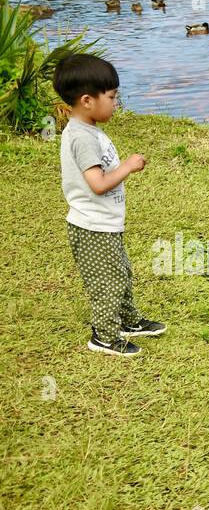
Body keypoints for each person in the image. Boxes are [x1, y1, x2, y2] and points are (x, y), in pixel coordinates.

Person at [52, 53, 165, 357]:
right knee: (108, 282)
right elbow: (98, 184)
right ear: (87, 100)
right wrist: (128, 166)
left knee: (122, 273)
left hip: (104, 223)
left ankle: (129, 321)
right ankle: (104, 337)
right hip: (92, 226)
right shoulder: (81, 138)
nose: (116, 103)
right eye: (113, 97)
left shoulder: (88, 130)